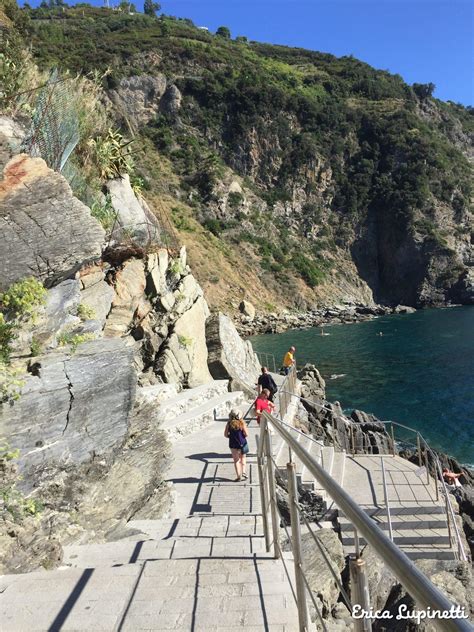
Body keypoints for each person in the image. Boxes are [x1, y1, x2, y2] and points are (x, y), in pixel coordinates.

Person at [224, 409, 249, 482]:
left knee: (236, 460)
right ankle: (243, 472)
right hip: (242, 443)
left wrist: (231, 437)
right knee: (243, 457)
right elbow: (246, 434)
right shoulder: (242, 423)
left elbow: (225, 435)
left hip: (232, 443)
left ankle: (238, 476)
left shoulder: (229, 424)